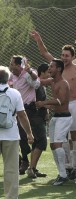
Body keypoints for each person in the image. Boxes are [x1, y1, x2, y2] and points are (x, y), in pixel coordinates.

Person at [31, 31, 76, 180]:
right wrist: (38, 39)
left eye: (67, 55)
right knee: (61, 139)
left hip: (74, 104)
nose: (64, 58)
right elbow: (44, 52)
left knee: (74, 137)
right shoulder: (57, 67)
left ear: (72, 57)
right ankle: (66, 167)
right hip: (60, 107)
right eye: (63, 55)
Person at [36, 59, 72, 186]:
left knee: (57, 145)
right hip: (56, 117)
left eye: (51, 67)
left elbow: (60, 101)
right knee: (53, 146)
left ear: (59, 69)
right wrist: (27, 72)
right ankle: (61, 173)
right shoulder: (52, 81)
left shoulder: (63, 83)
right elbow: (38, 82)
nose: (49, 69)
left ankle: (63, 174)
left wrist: (43, 103)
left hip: (64, 117)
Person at [0, 65, 34, 198]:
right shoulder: (14, 93)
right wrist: (29, 133)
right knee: (12, 169)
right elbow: (22, 115)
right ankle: (11, 196)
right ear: (8, 79)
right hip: (11, 135)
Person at [8, 55, 41, 175]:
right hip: (18, 110)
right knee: (21, 137)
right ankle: (25, 161)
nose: (10, 66)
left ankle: (31, 166)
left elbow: (36, 84)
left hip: (29, 109)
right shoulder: (12, 76)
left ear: (18, 65)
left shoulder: (27, 73)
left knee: (32, 137)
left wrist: (30, 72)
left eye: (12, 64)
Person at [26, 63, 50, 178]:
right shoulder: (37, 85)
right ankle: (31, 168)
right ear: (42, 73)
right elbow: (36, 102)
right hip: (35, 116)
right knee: (42, 141)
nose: (50, 74)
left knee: (36, 142)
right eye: (48, 72)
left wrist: (46, 111)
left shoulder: (42, 85)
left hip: (39, 116)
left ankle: (33, 168)